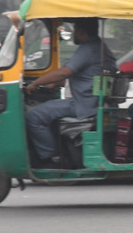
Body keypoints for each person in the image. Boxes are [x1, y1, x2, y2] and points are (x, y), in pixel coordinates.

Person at [25, 17, 117, 168]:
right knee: (49, 109)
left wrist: (35, 83)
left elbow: (64, 72)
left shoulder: (88, 48)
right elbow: (84, 76)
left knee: (33, 116)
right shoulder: (100, 47)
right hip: (95, 102)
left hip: (84, 105)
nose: (74, 33)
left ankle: (50, 158)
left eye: (74, 30)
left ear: (80, 31)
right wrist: (52, 83)